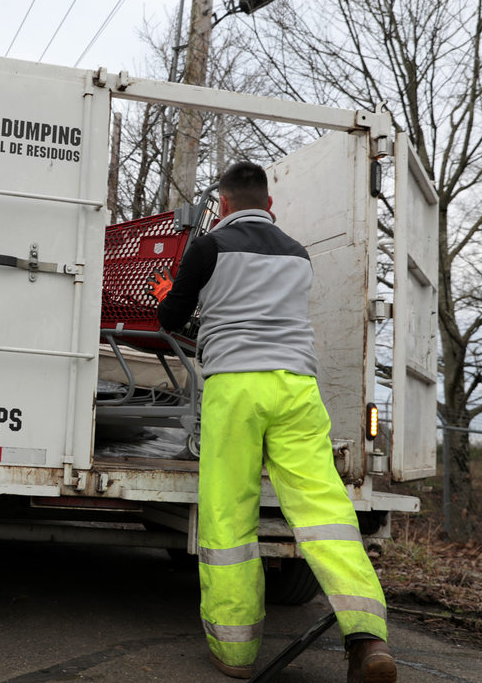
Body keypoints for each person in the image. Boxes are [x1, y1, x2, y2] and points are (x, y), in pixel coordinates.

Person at [149, 161, 397, 683]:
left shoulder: (207, 249)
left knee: (230, 515)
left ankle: (235, 653)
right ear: (269, 207)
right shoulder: (298, 254)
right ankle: (367, 639)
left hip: (236, 389)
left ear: (222, 206)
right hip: (297, 388)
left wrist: (168, 293)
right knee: (325, 511)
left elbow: (172, 319)